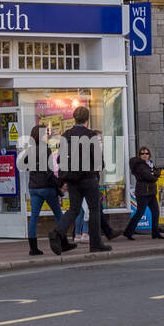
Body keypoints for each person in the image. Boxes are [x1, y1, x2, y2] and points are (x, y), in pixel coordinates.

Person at [48, 106, 112, 255]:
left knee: (74, 209)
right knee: (94, 208)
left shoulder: (66, 135)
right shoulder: (90, 135)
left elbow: (59, 158)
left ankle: (57, 232)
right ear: (87, 119)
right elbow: (98, 161)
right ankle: (95, 243)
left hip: (72, 179)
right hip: (88, 178)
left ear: (74, 118)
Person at [18, 125, 68, 257]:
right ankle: (62, 242)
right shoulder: (45, 149)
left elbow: (23, 164)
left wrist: (33, 169)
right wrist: (60, 184)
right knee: (58, 214)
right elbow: (49, 172)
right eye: (46, 133)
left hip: (34, 188)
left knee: (34, 217)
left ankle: (33, 248)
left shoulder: (30, 149)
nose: (48, 135)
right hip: (46, 187)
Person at [124, 146, 164, 240]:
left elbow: (158, 172)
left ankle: (155, 233)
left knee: (156, 212)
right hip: (143, 192)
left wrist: (154, 174)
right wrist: (154, 176)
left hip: (151, 192)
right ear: (139, 155)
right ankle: (128, 232)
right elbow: (148, 176)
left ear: (149, 155)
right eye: (142, 153)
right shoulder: (139, 165)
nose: (145, 155)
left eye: (146, 153)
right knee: (140, 213)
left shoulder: (150, 164)